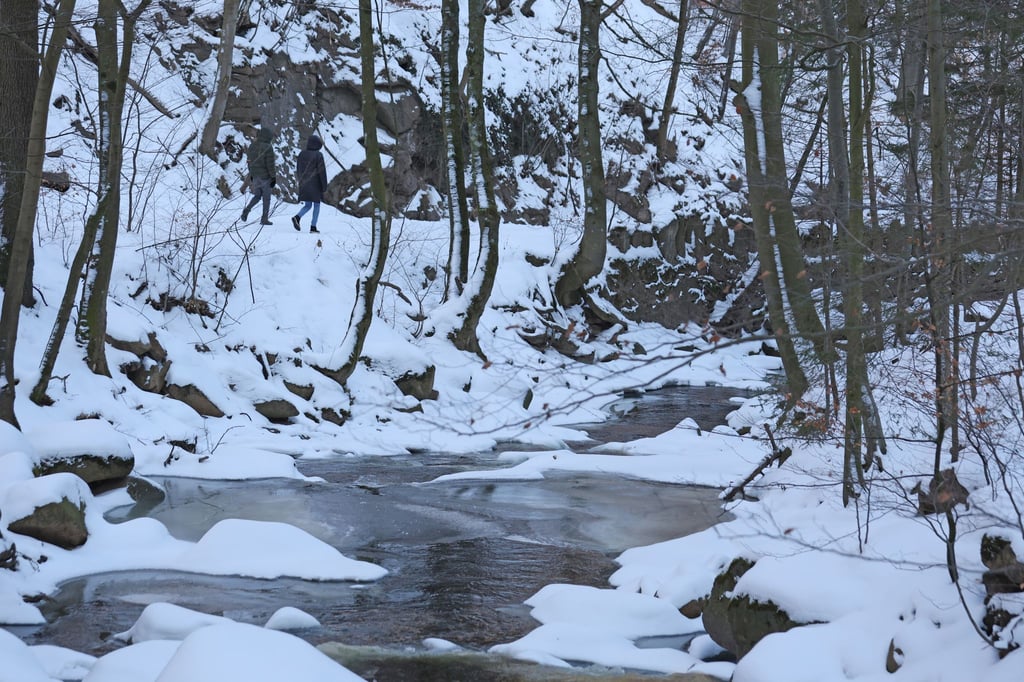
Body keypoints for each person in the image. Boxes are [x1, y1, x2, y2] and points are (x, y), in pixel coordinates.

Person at [292, 134, 328, 233]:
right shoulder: (318, 155)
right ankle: (313, 227)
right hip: (315, 184)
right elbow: (322, 172)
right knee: (316, 205)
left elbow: (298, 169)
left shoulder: (301, 154)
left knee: (308, 205)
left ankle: (297, 217)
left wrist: (301, 181)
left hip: (304, 183)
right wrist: (324, 186)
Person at [241, 126, 276, 225]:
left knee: (257, 196)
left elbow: (249, 161)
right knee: (266, 198)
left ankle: (247, 210)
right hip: (265, 177)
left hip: (255, 176)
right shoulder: (268, 147)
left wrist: (252, 173)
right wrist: (273, 177)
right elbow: (270, 164)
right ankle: (264, 219)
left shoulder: (252, 145)